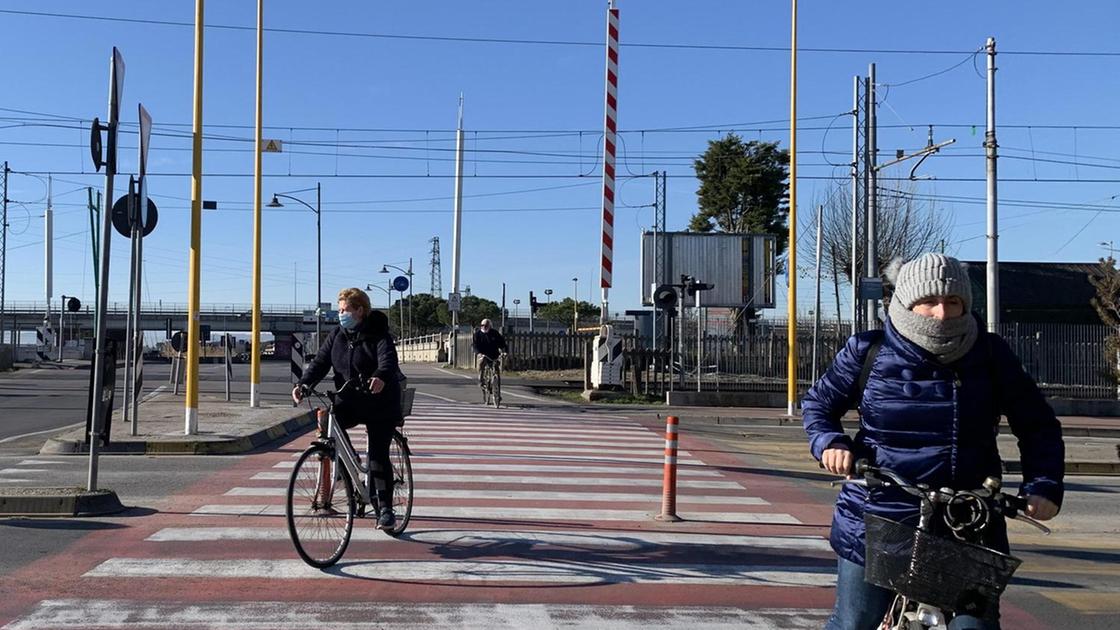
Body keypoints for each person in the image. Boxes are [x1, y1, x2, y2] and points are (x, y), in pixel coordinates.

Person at [802, 253, 1064, 630]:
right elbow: (819, 405)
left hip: (966, 520)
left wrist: (1043, 485)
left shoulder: (990, 354)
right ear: (906, 303)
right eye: (929, 301)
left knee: (973, 627)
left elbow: (1038, 425)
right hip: (878, 515)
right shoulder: (868, 351)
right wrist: (830, 443)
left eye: (953, 301)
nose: (942, 313)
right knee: (855, 621)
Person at [292, 287, 403, 530]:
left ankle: (385, 509)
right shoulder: (337, 336)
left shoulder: (379, 334)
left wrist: (380, 376)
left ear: (360, 311)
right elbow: (321, 362)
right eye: (340, 310)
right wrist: (304, 384)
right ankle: (347, 458)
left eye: (345, 310)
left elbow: (388, 360)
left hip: (379, 402)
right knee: (329, 421)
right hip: (350, 399)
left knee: (377, 454)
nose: (341, 314)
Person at [472, 318, 507, 385]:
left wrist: (504, 351)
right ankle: (481, 378)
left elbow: (502, 343)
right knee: (481, 363)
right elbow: (474, 345)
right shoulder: (477, 334)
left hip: (494, 354)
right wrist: (478, 353)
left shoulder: (495, 333)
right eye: (482, 325)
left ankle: (497, 390)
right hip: (483, 354)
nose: (484, 327)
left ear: (490, 326)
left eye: (486, 325)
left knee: (496, 368)